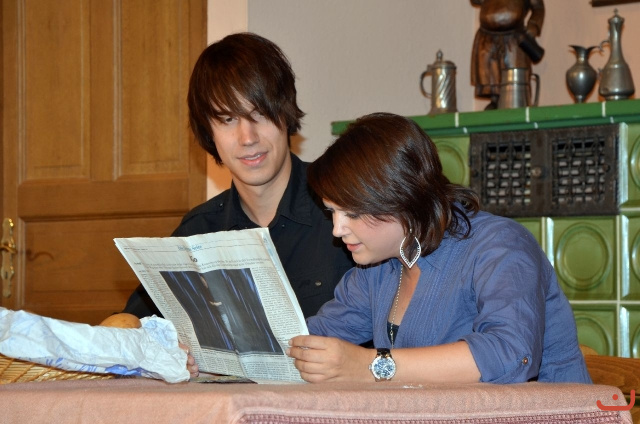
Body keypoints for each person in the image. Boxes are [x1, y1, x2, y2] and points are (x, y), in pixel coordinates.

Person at [287, 112, 591, 385]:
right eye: (332, 212)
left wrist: (370, 365)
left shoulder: (500, 245)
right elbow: (314, 338)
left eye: (352, 213)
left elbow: (511, 355)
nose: (337, 229)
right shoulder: (377, 267)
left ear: (400, 199)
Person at [121, 33, 354, 375]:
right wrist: (150, 346)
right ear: (209, 133)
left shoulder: (350, 209)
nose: (247, 138)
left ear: (285, 114)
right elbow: (130, 327)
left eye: (259, 114)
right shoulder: (196, 234)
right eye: (227, 119)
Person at [470, 0, 545, 109]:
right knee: (491, 72)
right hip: (487, 37)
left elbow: (538, 7)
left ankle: (517, 99)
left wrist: (534, 25)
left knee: (515, 72)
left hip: (514, 36)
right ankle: (495, 100)